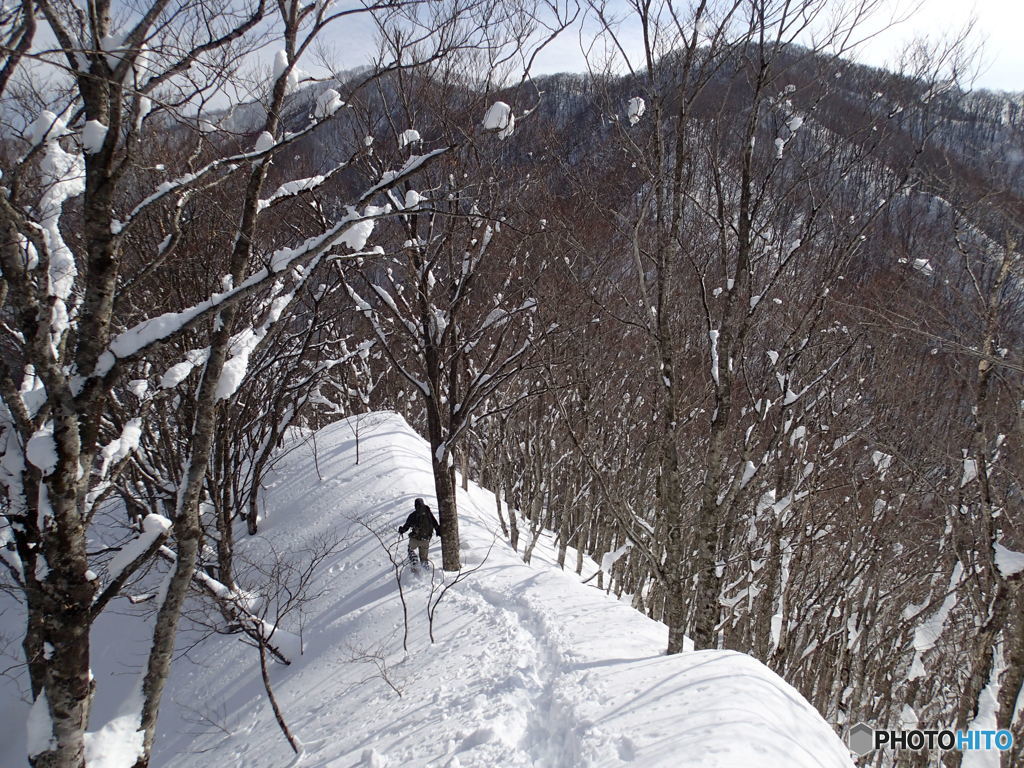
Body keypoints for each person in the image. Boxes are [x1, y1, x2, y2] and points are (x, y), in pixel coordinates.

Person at [398, 498, 441, 566]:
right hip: (426, 540)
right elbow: (435, 524)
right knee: (424, 559)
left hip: (415, 539)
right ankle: (425, 571)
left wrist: (401, 530)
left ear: (415, 505)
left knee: (410, 550)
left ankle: (414, 563)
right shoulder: (428, 514)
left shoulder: (413, 515)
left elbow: (406, 526)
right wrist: (438, 531)